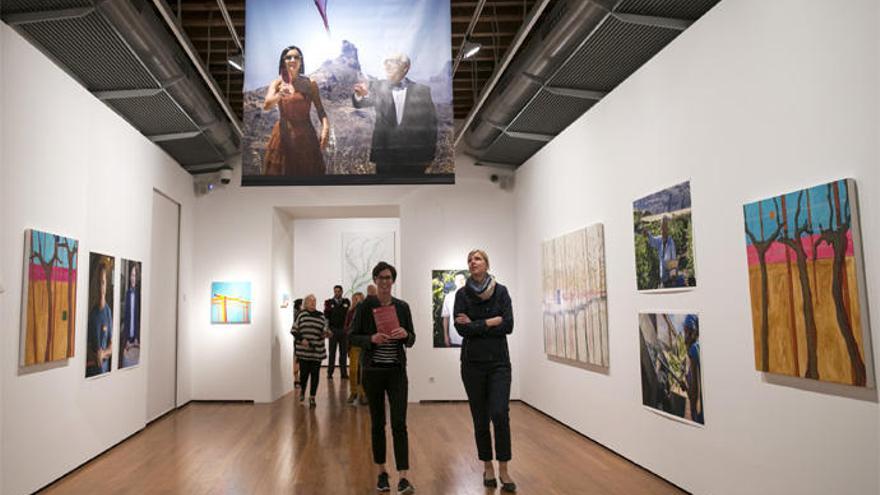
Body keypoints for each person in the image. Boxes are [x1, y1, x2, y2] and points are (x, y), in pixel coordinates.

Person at [350, 262, 416, 494]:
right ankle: (381, 473)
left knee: (399, 424)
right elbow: (352, 336)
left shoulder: (402, 307)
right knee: (378, 424)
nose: (385, 282)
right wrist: (371, 339)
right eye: (381, 277)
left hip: (396, 372)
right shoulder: (366, 306)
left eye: (388, 277)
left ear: (393, 280)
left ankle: (404, 477)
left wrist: (406, 334)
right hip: (373, 372)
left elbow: (412, 338)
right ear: (375, 280)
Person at [454, 249, 516, 492]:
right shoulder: (462, 294)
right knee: (480, 417)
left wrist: (476, 324)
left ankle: (504, 468)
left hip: (499, 363)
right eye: (470, 259)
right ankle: (488, 466)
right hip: (472, 364)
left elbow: (509, 324)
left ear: (487, 264)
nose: (473, 262)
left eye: (477, 259)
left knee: (500, 414)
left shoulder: (501, 291)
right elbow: (462, 330)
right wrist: (492, 322)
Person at [352, 53, 437, 176]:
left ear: (405, 67)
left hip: (414, 159)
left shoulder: (423, 91)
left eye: (392, 62)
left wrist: (429, 155)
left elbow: (431, 126)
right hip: (385, 157)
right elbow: (359, 103)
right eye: (385, 62)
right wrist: (359, 95)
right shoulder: (377, 86)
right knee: (384, 193)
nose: (387, 66)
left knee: (413, 192)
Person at [263, 45, 330, 177]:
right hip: (283, 136)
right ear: (283, 61)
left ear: (301, 61)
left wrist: (326, 128)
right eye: (288, 57)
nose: (292, 60)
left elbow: (320, 110)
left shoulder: (310, 84)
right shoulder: (277, 83)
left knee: (309, 177)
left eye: (296, 57)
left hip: (306, 138)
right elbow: (266, 105)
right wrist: (279, 95)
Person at [292, 295, 329, 407]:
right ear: (305, 303)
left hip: (317, 350)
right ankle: (303, 391)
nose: (313, 303)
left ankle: (312, 396)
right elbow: (294, 330)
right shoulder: (301, 315)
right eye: (310, 301)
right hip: (304, 351)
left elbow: (325, 330)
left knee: (315, 374)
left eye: (314, 301)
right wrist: (301, 339)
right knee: (304, 374)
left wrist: (326, 333)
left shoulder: (321, 316)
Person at [86, 263, 113, 377]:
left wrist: (103, 354)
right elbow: (87, 346)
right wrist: (95, 355)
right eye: (98, 283)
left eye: (103, 283)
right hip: (92, 373)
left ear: (106, 285)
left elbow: (111, 346)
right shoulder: (92, 314)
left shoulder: (108, 312)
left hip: (105, 374)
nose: (101, 287)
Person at [644, 216, 680, 288]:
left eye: (665, 227)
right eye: (662, 227)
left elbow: (673, 259)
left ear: (667, 229)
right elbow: (653, 241)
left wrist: (673, 278)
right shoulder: (660, 240)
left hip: (670, 278)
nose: (663, 229)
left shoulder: (670, 243)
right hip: (663, 277)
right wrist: (648, 234)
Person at [324, 285, 351, 380]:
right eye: (335, 291)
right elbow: (326, 317)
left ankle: (344, 373)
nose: (337, 293)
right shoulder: (328, 302)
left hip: (343, 331)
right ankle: (330, 373)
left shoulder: (346, 302)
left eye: (339, 291)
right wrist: (327, 329)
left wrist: (348, 329)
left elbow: (349, 316)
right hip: (333, 331)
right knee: (332, 353)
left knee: (343, 353)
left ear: (342, 292)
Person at [344, 291, 366, 404]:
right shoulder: (350, 312)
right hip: (353, 345)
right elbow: (346, 328)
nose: (357, 301)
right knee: (353, 370)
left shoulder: (367, 312)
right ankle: (353, 392)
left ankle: (363, 394)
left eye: (359, 299)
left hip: (363, 345)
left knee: (363, 371)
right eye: (355, 299)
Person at [119, 262, 140, 367]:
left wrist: (136, 337)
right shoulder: (127, 294)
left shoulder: (139, 295)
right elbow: (126, 318)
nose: (133, 278)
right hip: (127, 339)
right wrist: (126, 339)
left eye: (135, 276)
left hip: (136, 341)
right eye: (132, 275)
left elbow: (137, 318)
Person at [684, 315, 703, 424]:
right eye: (685, 332)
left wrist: (686, 387)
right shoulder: (699, 347)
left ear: (696, 333)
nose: (686, 337)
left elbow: (694, 392)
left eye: (689, 333)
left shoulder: (693, 350)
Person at [441, 272, 466, 347]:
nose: (461, 282)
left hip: (470, 339)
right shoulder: (449, 297)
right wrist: (446, 336)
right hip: (454, 338)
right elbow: (446, 318)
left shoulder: (472, 296)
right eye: (459, 280)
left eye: (463, 279)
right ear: (455, 282)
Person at [292, 298, 303, 388]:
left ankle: (297, 379)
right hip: (299, 340)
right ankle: (297, 379)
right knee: (297, 359)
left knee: (298, 359)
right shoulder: (298, 314)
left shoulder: (298, 313)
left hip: (299, 339)